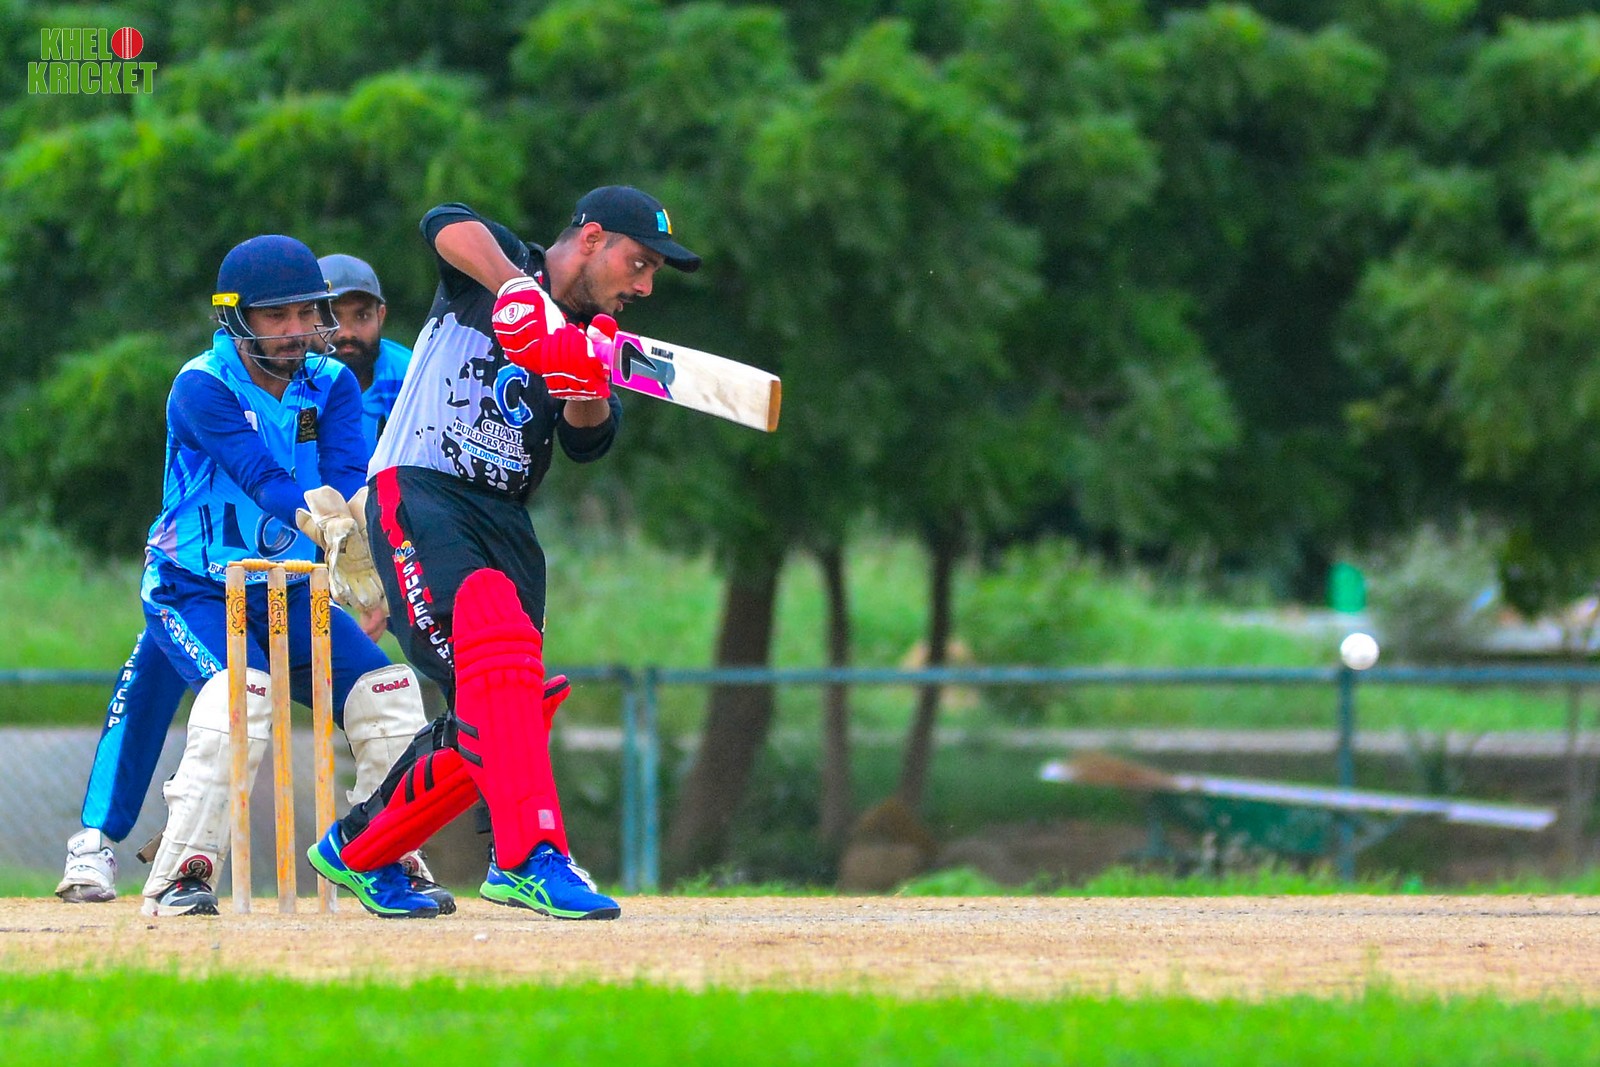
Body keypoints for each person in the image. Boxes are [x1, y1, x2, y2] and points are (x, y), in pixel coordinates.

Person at [307, 186, 699, 920]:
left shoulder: (595, 337)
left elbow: (587, 439)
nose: (645, 286)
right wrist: (521, 294)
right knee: (497, 652)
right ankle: (529, 855)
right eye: (639, 263)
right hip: (420, 488)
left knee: (500, 704)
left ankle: (358, 848)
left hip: (506, 522)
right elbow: (442, 223)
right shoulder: (499, 268)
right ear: (591, 238)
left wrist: (583, 379)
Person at [72, 235, 444, 918]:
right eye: (276, 315)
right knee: (241, 698)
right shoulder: (201, 387)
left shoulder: (332, 383)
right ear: (237, 317)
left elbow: (345, 474)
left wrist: (363, 534)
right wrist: (321, 521)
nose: (296, 330)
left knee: (389, 692)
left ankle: (382, 853)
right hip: (195, 587)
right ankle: (183, 872)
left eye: (306, 312)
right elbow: (259, 475)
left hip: (291, 588)